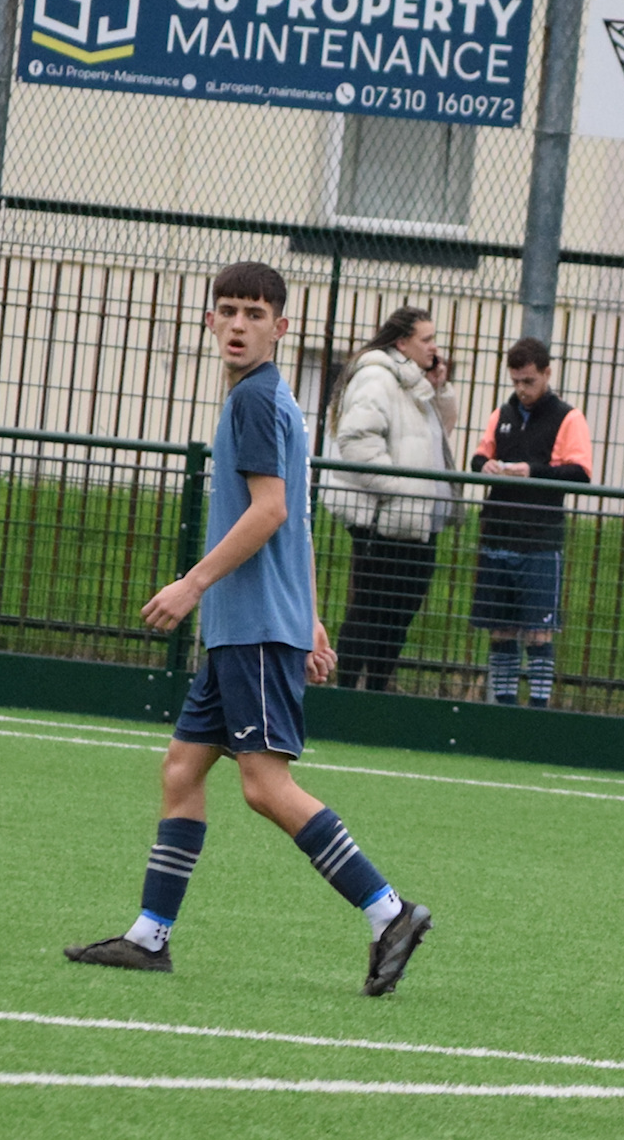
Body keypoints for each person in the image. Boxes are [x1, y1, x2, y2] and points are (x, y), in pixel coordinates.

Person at [66, 261, 432, 996]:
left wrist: (192, 583)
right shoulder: (272, 401)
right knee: (182, 768)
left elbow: (269, 513)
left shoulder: (255, 402)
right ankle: (150, 934)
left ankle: (388, 909)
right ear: (210, 320)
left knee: (265, 787)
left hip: (252, 625)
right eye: (227, 310)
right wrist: (316, 616)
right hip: (250, 623)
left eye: (254, 313)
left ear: (280, 326)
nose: (238, 324)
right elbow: (295, 517)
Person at [330, 306, 461, 692]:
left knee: (399, 614)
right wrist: (402, 488)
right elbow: (356, 442)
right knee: (371, 610)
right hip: (386, 520)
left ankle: (377, 691)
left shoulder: (412, 381)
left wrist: (440, 386)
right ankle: (347, 690)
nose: (434, 347)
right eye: (426, 339)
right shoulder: (377, 377)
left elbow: (442, 430)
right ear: (402, 343)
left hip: (416, 521)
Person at [468, 336, 591, 707]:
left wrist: (532, 472)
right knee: (500, 630)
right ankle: (503, 705)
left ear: (547, 373)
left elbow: (580, 472)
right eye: (516, 381)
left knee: (539, 632)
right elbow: (478, 457)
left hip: (539, 539)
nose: (521, 390)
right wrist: (485, 466)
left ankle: (537, 708)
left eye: (529, 382)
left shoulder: (568, 417)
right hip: (498, 535)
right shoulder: (502, 413)